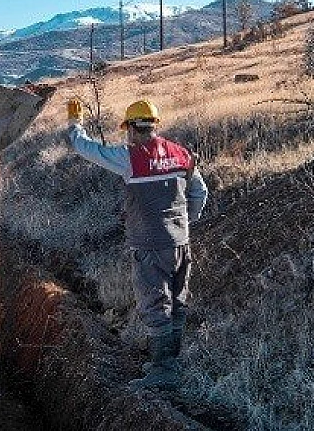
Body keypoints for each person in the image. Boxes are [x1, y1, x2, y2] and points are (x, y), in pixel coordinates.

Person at [67, 98, 209, 391]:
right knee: (177, 301)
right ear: (155, 125)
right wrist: (185, 221)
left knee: (155, 305)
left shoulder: (131, 157)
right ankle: (171, 362)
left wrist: (75, 126)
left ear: (132, 128)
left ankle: (162, 370)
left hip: (150, 246)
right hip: (180, 243)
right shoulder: (182, 154)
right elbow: (200, 192)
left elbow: (87, 149)